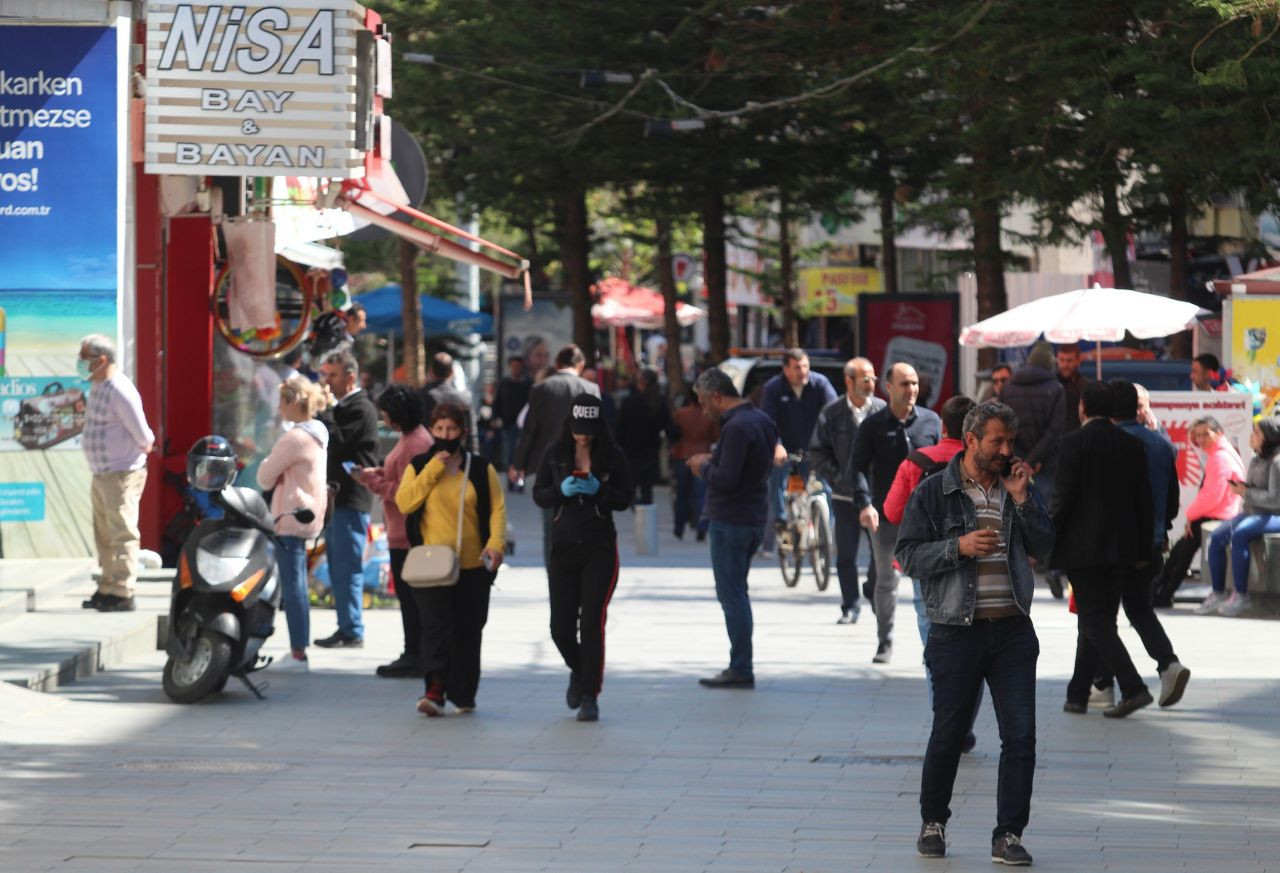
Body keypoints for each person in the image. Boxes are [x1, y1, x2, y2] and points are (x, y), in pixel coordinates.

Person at [895, 401, 1053, 866]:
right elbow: (908, 556)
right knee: (948, 732)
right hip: (954, 631)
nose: (1006, 450)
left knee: (1021, 736)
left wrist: (1024, 500)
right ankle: (933, 821)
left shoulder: (1015, 488)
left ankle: (1008, 834)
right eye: (996, 442)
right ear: (971, 441)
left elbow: (1046, 546)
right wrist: (957, 547)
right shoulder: (934, 492)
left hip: (1012, 631)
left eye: (1009, 441)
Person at [1081, 380, 1189, 710]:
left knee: (1101, 617)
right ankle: (1166, 664)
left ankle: (1110, 684)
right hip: (1153, 542)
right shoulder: (1160, 444)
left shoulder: (1113, 443)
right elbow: (1172, 501)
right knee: (1137, 609)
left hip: (1116, 546)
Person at [884, 394, 982, 754]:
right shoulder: (985, 464)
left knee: (936, 651)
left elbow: (893, 512)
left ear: (942, 426)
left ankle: (947, 723)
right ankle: (964, 726)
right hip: (977, 566)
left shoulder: (917, 461)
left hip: (927, 567)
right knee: (976, 652)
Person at [395, 402, 506, 716]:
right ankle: (435, 690)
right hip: (432, 564)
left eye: (452, 429)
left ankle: (464, 692)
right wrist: (433, 469)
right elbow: (405, 502)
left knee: (469, 630)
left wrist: (496, 544)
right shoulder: (419, 466)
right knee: (436, 627)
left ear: (463, 432)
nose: (445, 435)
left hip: (473, 565)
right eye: (440, 429)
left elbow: (497, 509)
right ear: (432, 431)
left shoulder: (481, 468)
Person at [1052, 382, 1154, 718]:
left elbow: (1062, 498)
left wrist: (1046, 538)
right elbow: (1144, 501)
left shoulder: (1073, 443)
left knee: (1095, 622)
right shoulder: (1131, 444)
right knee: (1098, 620)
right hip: (1123, 548)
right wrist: (1143, 548)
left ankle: (1134, 686)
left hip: (1083, 549)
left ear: (1082, 407)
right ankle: (1078, 693)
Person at [533, 394, 633, 722]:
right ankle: (580, 669)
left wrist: (598, 492)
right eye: (578, 429)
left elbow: (624, 498)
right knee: (560, 628)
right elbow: (540, 495)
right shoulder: (554, 453)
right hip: (563, 549)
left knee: (592, 623)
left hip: (599, 547)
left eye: (588, 430)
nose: (583, 436)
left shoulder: (612, 455)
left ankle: (590, 694)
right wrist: (561, 491)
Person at [686, 367, 777, 689]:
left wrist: (703, 467)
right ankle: (740, 664)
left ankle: (741, 666)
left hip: (732, 519)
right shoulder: (761, 420)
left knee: (732, 595)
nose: (702, 409)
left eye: (702, 401)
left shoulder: (737, 426)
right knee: (738, 592)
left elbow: (727, 478)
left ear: (716, 396)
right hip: (752, 517)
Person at [852, 362, 941, 663]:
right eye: (904, 384)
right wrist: (865, 504)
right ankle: (884, 640)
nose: (911, 389)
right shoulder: (873, 425)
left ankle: (932, 642)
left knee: (927, 579)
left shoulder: (932, 422)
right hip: (887, 516)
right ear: (888, 387)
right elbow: (858, 468)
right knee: (886, 580)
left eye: (915, 383)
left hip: (927, 520)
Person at [352, 386, 433, 678]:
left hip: (408, 534)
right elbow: (400, 476)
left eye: (386, 413)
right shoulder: (412, 438)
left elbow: (409, 491)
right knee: (410, 599)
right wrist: (374, 475)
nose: (384, 418)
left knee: (411, 600)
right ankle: (414, 652)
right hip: (402, 531)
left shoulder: (415, 444)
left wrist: (375, 484)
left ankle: (415, 654)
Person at [255, 377, 329, 670]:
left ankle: (298, 652)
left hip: (290, 515)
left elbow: (264, 477)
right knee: (294, 582)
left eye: (281, 402)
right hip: (307, 513)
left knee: (292, 584)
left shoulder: (295, 438)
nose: (278, 407)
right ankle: (298, 648)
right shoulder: (318, 434)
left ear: (293, 403)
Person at [78, 334, 155, 613]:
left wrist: (142, 449)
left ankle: (122, 590)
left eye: (85, 358)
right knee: (104, 533)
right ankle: (108, 586)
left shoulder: (120, 389)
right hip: (102, 473)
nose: (80, 363)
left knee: (121, 531)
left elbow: (143, 434)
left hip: (122, 473)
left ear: (101, 360)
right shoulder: (98, 385)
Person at [808, 357, 885, 624]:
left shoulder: (882, 411)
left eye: (874, 378)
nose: (871, 384)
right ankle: (850, 605)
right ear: (849, 381)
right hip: (844, 496)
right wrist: (841, 478)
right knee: (846, 555)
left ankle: (872, 590)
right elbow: (818, 453)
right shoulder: (832, 413)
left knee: (881, 553)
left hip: (876, 497)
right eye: (866, 379)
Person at [314, 350, 380, 649]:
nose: (326, 382)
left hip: (352, 498)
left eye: (333, 375)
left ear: (350, 377)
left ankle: (352, 628)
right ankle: (346, 626)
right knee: (338, 565)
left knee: (348, 565)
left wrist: (326, 410)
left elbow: (337, 443)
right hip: (335, 499)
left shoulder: (360, 407)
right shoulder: (343, 406)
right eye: (324, 375)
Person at [512, 344, 600, 562]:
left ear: (557, 364)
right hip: (584, 463)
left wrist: (519, 463)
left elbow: (531, 429)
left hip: (548, 466)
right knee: (583, 519)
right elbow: (599, 429)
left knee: (551, 523)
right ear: (580, 365)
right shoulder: (591, 389)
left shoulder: (542, 389)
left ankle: (555, 573)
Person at [1155, 417, 1244, 605]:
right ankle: (1160, 592)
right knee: (1179, 554)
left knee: (1181, 557)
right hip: (1216, 514)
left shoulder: (1220, 457)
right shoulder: (1221, 453)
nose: (1200, 439)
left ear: (1218, 433)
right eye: (1198, 435)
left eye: (1205, 434)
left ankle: (1162, 594)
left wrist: (1191, 515)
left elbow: (1213, 494)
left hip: (1214, 515)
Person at [1197, 417, 1280, 617]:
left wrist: (1245, 492)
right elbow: (1252, 488)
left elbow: (1275, 500)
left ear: (1268, 437)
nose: (1252, 436)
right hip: (1252, 512)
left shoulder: (1277, 462)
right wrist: (1242, 488)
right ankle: (1217, 592)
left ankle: (1241, 595)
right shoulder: (1256, 459)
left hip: (1273, 515)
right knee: (1217, 537)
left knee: (1240, 534)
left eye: (1257, 433)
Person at [758, 349, 836, 555]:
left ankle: (825, 532)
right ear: (786, 369)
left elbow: (833, 415)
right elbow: (768, 421)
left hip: (814, 448)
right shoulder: (773, 388)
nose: (802, 372)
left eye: (805, 366)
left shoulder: (820, 384)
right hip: (784, 449)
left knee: (824, 488)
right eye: (797, 367)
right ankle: (782, 523)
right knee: (776, 482)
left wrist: (831, 445)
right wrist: (776, 444)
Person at [999, 341, 1065, 505]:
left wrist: (1023, 461)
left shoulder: (1007, 389)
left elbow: (1002, 427)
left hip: (1014, 462)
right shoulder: (1056, 389)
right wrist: (1033, 461)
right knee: (1043, 512)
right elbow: (1055, 431)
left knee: (1014, 511)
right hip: (1045, 464)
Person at [616, 368, 676, 505]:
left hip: (631, 452)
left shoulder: (629, 402)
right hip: (651, 453)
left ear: (641, 383)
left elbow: (620, 429)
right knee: (647, 490)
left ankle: (636, 508)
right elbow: (670, 429)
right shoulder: (659, 404)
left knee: (630, 488)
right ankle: (646, 519)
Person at [670, 383, 719, 541]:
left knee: (681, 494)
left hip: (682, 455)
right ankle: (701, 527)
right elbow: (715, 436)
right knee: (701, 495)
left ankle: (679, 528)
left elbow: (674, 434)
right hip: (703, 454)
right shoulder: (709, 415)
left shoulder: (680, 414)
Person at [420, 352, 477, 451]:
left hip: (429, 455)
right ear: (452, 372)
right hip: (457, 458)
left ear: (431, 371)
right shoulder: (464, 399)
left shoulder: (422, 396)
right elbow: (472, 434)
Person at [493, 355, 531, 489]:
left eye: (518, 366)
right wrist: (495, 418)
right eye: (513, 366)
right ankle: (511, 481)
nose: (516, 369)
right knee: (509, 453)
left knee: (521, 453)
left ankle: (520, 481)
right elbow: (497, 402)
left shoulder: (528, 384)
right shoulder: (504, 383)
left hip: (524, 425)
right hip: (508, 423)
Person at [1056, 342, 1090, 434]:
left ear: (1078, 361)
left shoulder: (1085, 385)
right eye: (1061, 360)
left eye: (1069, 360)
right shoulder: (1051, 384)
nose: (1065, 365)